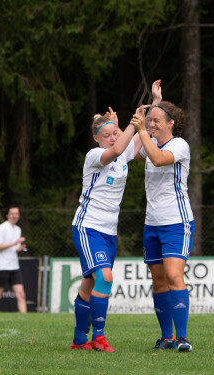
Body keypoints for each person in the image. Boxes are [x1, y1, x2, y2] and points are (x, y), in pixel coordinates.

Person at [71, 107, 142, 352]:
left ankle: (79, 340)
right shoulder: (94, 155)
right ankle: (98, 337)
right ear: (96, 138)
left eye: (115, 133)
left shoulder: (121, 156)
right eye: (107, 135)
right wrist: (133, 122)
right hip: (88, 226)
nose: (112, 138)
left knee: (88, 285)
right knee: (105, 277)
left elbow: (138, 140)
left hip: (108, 232)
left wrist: (154, 103)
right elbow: (119, 148)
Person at [130, 81, 194, 352]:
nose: (151, 124)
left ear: (171, 124)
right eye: (150, 121)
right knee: (158, 280)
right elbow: (133, 152)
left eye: (156, 121)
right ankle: (166, 337)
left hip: (177, 223)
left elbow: (157, 158)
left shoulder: (179, 145)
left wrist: (144, 128)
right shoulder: (149, 140)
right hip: (152, 223)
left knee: (172, 275)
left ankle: (182, 338)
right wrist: (150, 108)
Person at [0, 206, 27, 313]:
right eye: (12, 214)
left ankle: (26, 321)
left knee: (21, 295)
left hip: (14, 266)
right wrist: (13, 243)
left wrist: (19, 248)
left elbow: (14, 248)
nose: (14, 216)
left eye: (16, 214)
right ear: (7, 215)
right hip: (2, 267)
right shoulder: (2, 228)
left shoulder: (18, 229)